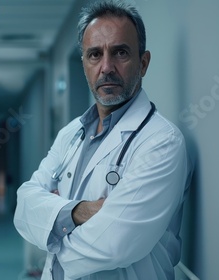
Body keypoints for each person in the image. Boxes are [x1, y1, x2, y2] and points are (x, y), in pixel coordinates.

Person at [13, 1, 192, 279]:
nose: (106, 67)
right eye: (95, 54)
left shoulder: (161, 142)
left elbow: (115, 244)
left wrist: (51, 225)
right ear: (84, 64)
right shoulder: (70, 134)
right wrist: (79, 212)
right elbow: (24, 205)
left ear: (143, 63)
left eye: (120, 52)